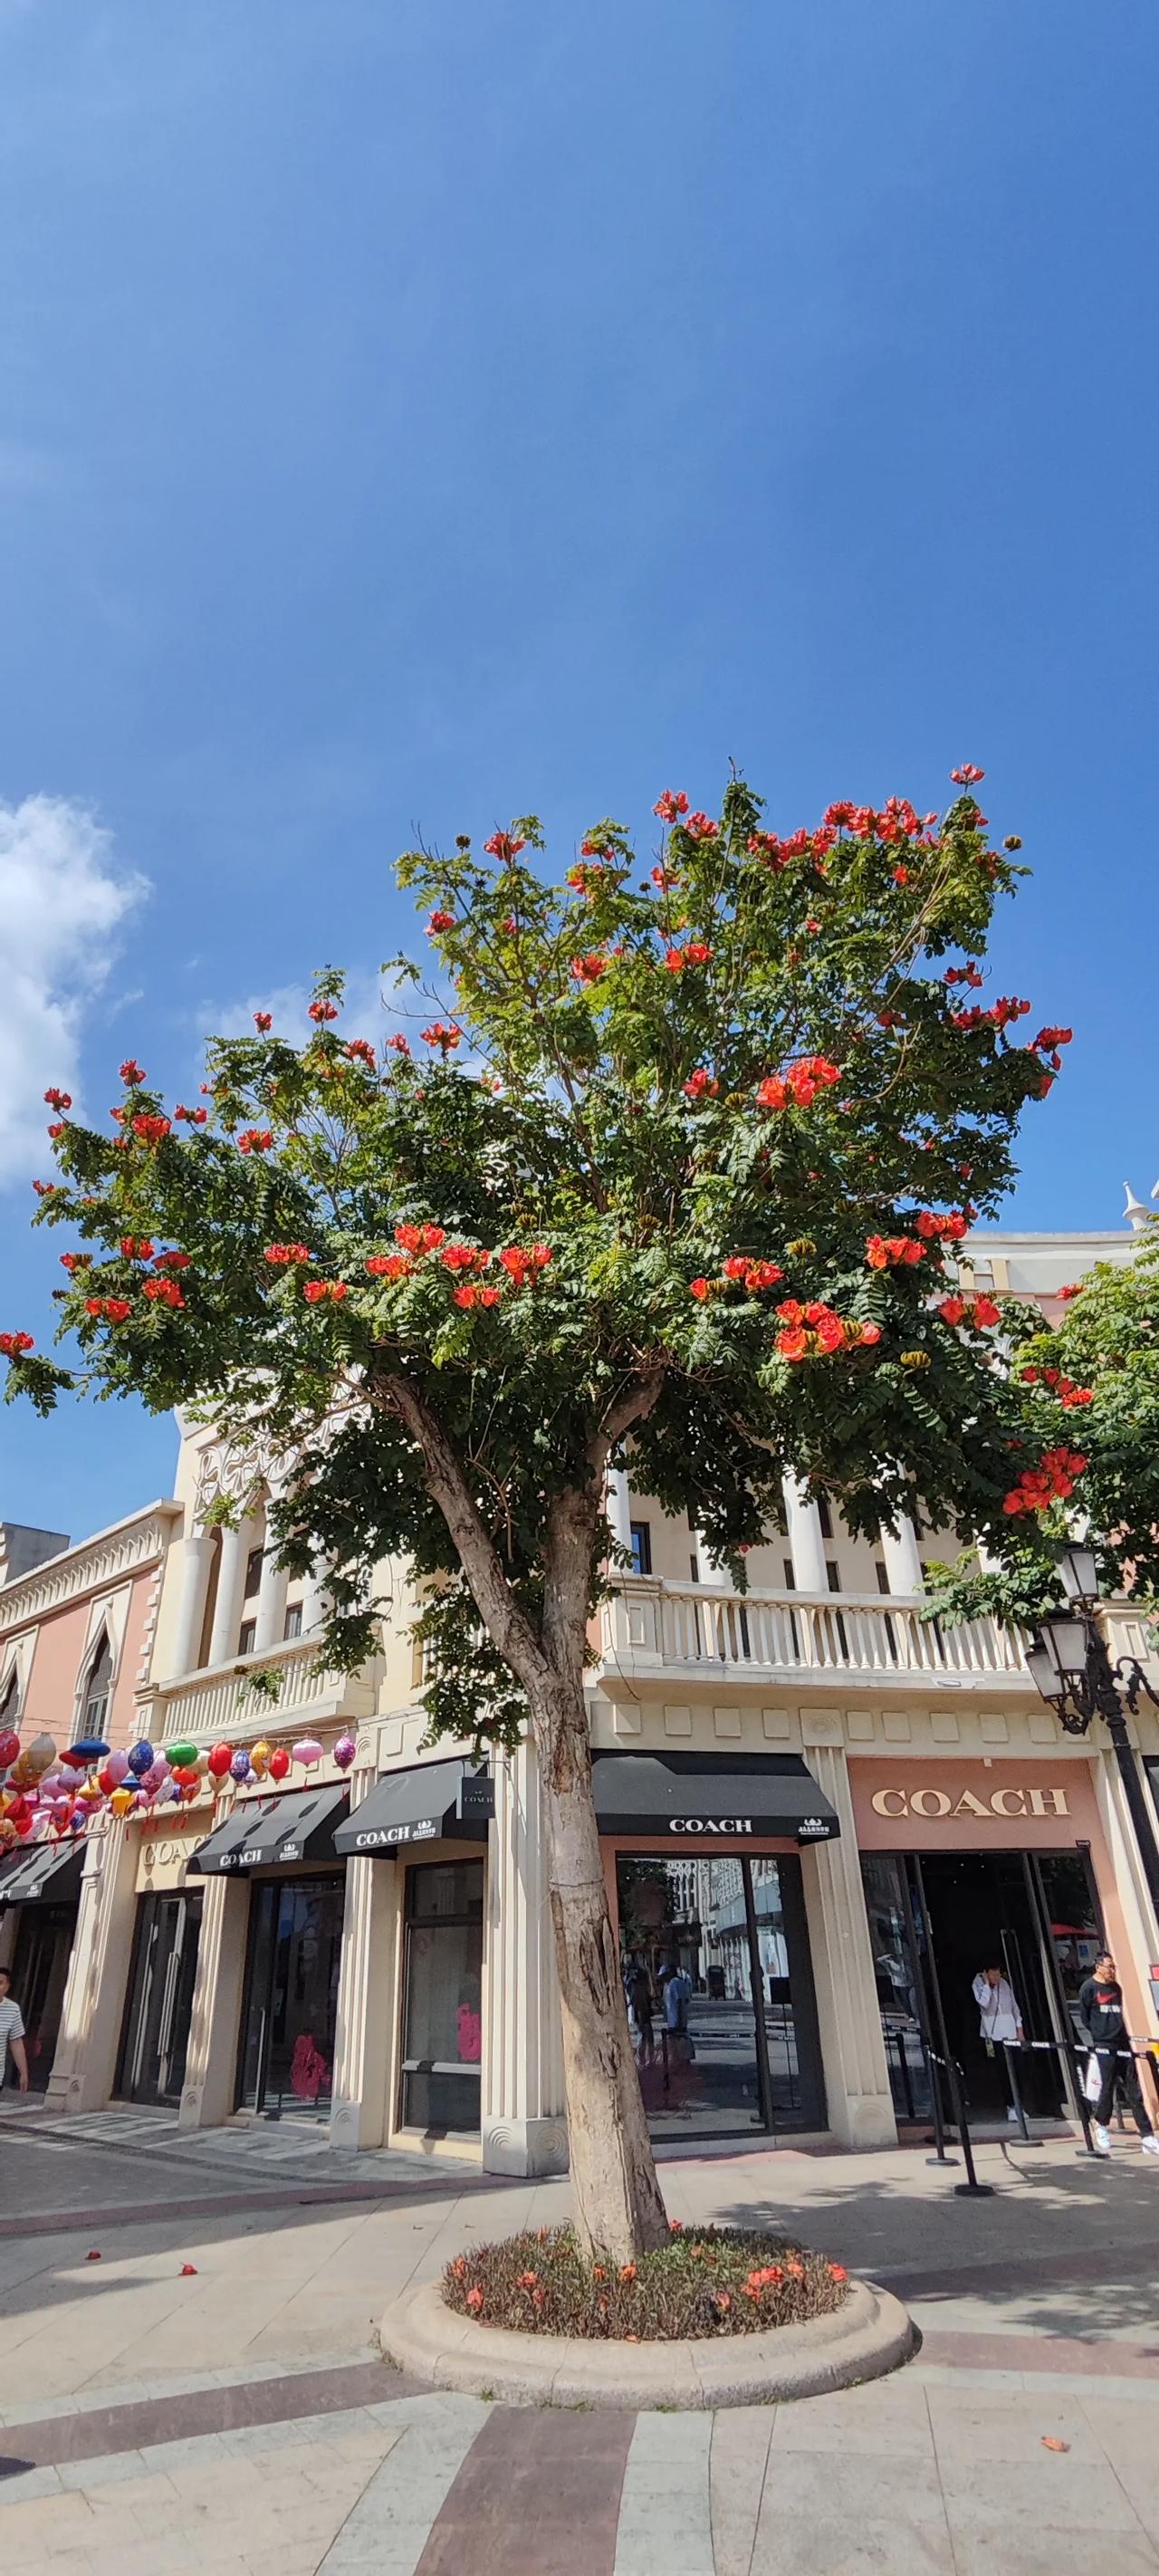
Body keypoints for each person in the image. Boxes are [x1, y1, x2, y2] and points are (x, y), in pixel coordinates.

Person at [1077, 1950, 1159, 2158]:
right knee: (1107, 2088)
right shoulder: (1089, 1988)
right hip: (1104, 2044)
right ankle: (1101, 2124)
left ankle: (1147, 2135)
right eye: (1109, 1967)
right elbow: (1085, 2017)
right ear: (1098, 1967)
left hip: (1122, 2041)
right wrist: (1099, 2033)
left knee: (1134, 2091)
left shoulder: (1116, 1988)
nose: (1112, 1971)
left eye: (1114, 1967)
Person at [972, 1963, 1025, 2120]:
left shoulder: (1004, 1984)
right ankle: (1010, 2105)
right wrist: (988, 1986)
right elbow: (983, 2004)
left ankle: (1019, 2104)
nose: (996, 1977)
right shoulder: (978, 1983)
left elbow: (1014, 2006)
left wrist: (1019, 2027)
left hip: (1010, 2030)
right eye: (993, 1973)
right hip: (994, 2032)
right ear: (986, 1973)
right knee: (1003, 2069)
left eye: (998, 1973)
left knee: (1018, 2068)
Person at [0, 1967, 28, 2094]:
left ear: (7, 1987)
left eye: (0, 1983)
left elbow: (16, 2042)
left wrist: (23, 2073)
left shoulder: (12, 2009)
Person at [625, 1959, 655, 2067]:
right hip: (640, 2011)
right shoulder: (632, 1984)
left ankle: (648, 2059)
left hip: (643, 2011)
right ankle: (643, 2060)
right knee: (643, 2036)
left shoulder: (635, 1984)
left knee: (646, 2036)